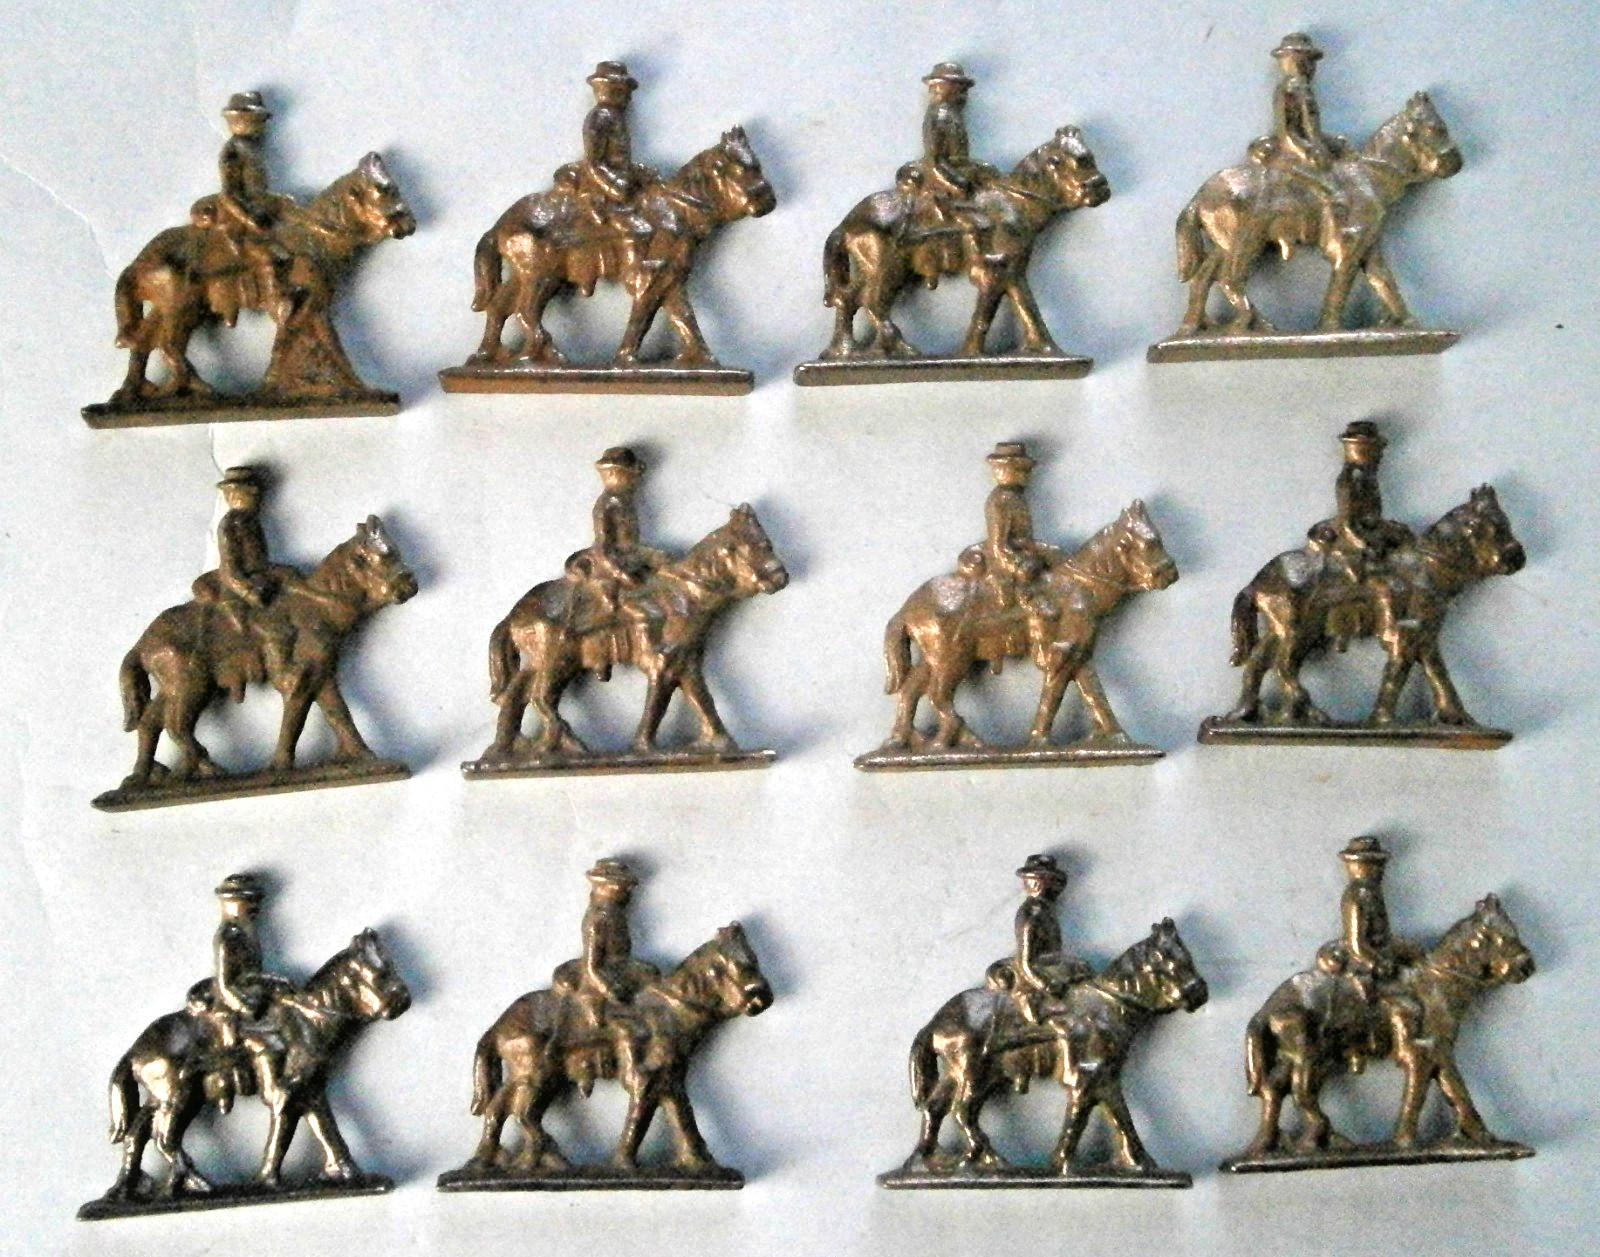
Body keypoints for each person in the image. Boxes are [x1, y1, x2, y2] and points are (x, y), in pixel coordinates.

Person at [551, 859, 660, 1093]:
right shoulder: (597, 920)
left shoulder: (615, 916)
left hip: (619, 969)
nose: (626, 892)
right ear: (606, 888)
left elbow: (621, 955)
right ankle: (600, 1061)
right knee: (611, 1019)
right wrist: (608, 989)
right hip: (598, 979)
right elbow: (591, 967)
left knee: (654, 980)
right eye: (621, 887)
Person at [1315, 838, 1424, 1071]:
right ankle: (1358, 1047)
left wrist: (1403, 949)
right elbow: (1356, 944)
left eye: (1379, 864)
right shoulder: (1356, 896)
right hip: (1361, 960)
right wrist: (1376, 963)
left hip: (1379, 950)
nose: (1378, 870)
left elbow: (1381, 933)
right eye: (1373, 864)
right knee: (1367, 1000)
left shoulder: (1373, 893)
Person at [1306, 422, 1413, 647]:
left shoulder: (1368, 478)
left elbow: (1372, 514)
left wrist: (1389, 529)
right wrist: (1365, 544)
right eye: (1376, 451)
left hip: (1370, 532)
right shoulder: (1348, 483)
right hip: (1349, 541)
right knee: (1376, 582)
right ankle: (1352, 625)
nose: (1380, 456)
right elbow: (1347, 523)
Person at [566, 447, 667, 679]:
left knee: (667, 574)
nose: (635, 479)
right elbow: (602, 548)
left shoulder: (625, 501)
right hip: (610, 563)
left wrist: (651, 557)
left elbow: (630, 543)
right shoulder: (606, 505)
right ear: (616, 475)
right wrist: (620, 573)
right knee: (610, 607)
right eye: (630, 474)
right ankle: (602, 654)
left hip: (631, 557)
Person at [191, 466, 297, 684]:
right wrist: (248, 592)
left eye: (255, 493)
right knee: (270, 627)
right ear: (232, 496)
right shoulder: (230, 525)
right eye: (247, 493)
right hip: (236, 590)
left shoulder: (251, 522)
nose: (254, 498)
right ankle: (276, 670)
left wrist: (280, 572)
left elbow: (259, 560)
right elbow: (229, 570)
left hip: (258, 580)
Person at [192, 92, 290, 325]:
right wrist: (248, 219)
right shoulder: (232, 152)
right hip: (238, 214)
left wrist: (280, 203)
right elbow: (228, 194)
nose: (260, 125)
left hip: (257, 206)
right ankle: (274, 300)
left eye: (261, 120)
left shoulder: (250, 148)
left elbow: (257, 189)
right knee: (266, 254)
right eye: (256, 120)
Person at [194, 873, 288, 1111]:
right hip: (231, 1003)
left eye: (255, 901)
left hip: (253, 995)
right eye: (248, 901)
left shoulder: (248, 932)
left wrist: (275, 984)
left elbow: (253, 972)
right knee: (250, 1044)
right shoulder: (227, 937)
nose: (254, 906)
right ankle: (230, 1085)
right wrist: (244, 1007)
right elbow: (224, 984)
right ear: (231, 903)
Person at [900, 63, 996, 278]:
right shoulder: (938, 117)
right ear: (942, 89)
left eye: (964, 89)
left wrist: (983, 171)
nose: (963, 94)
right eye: (959, 88)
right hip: (940, 178)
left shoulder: (952, 115)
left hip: (956, 171)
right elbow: (934, 162)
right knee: (974, 219)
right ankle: (973, 261)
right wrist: (957, 185)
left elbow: (959, 158)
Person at [571, 62, 658, 263]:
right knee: (638, 231)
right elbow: (593, 163)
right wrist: (617, 187)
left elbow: (618, 159)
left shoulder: (614, 117)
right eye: (623, 91)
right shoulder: (600, 118)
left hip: (619, 181)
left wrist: (639, 173)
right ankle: (634, 270)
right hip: (602, 190)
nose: (628, 97)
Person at [995, 854, 1091, 1025]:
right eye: (1051, 881)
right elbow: (1025, 963)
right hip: (1037, 977)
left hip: (1052, 969)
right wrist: (1045, 985)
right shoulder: (1031, 916)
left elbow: (1053, 953)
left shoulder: (1045, 912)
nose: (1056, 887)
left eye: (1054, 881)